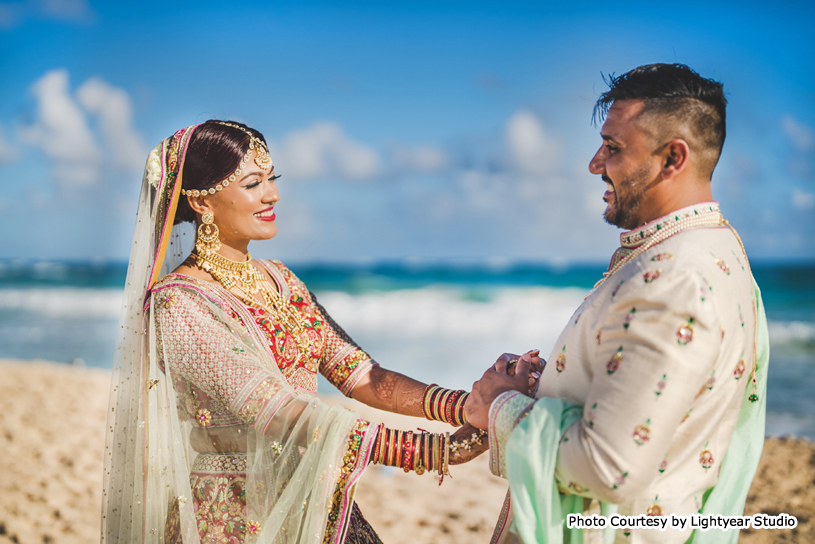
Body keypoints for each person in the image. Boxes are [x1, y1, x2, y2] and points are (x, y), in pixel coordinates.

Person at [101, 120, 491, 544]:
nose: (273, 195)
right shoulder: (180, 303)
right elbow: (282, 413)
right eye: (253, 183)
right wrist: (437, 452)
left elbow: (363, 376)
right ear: (201, 203)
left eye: (273, 179)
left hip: (315, 502)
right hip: (234, 519)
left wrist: (467, 405)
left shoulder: (283, 280)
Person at [465, 64, 769, 544]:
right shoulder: (714, 246)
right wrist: (547, 393)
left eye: (613, 148)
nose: (594, 164)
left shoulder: (673, 280)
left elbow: (606, 468)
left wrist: (498, 407)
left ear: (673, 158)